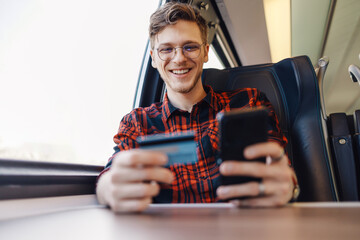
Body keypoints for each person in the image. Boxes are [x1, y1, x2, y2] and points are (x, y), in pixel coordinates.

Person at [96, 1, 298, 213]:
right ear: (154, 58)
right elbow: (108, 178)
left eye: (190, 47)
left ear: (206, 52)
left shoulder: (249, 103)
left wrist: (287, 187)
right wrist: (108, 188)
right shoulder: (137, 123)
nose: (179, 58)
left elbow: (279, 171)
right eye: (166, 49)